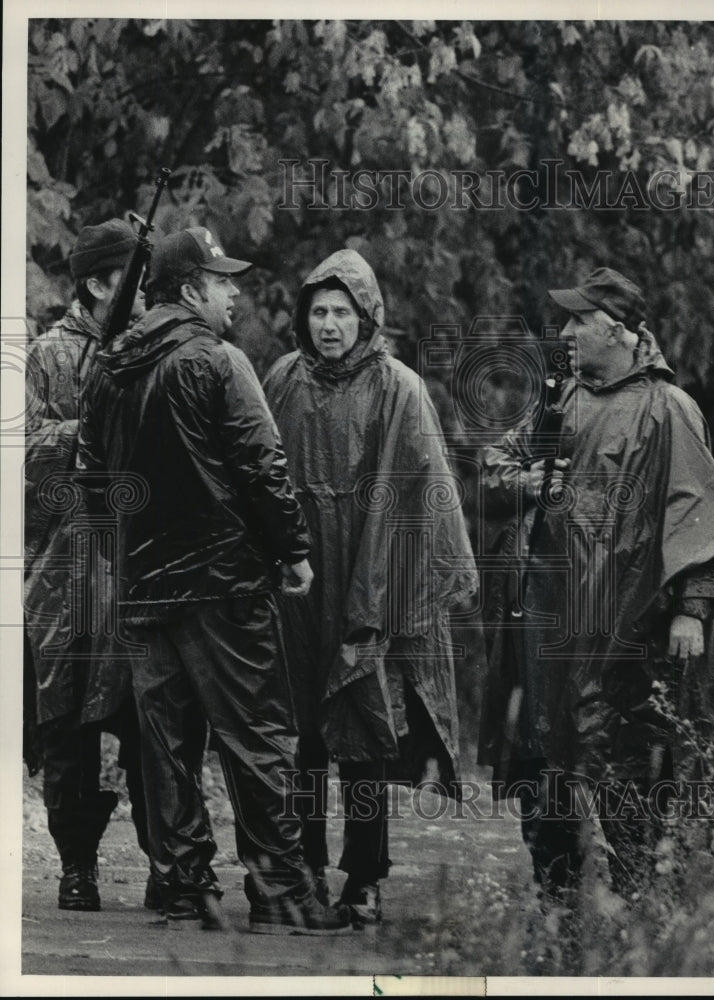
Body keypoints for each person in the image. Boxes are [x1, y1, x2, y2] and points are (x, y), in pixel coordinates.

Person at [77, 226, 351, 935]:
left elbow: (92, 485)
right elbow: (263, 468)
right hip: (222, 585)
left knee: (165, 745)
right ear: (191, 289)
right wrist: (292, 551)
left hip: (143, 589)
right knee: (257, 735)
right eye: (222, 281)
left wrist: (127, 558)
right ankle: (282, 894)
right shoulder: (218, 360)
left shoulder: (107, 368)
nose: (234, 292)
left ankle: (182, 889)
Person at [477, 267, 714, 898]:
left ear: (620, 331)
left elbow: (703, 514)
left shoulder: (670, 411)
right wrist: (528, 484)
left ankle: (642, 915)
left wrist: (692, 606)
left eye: (578, 321)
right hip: (557, 629)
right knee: (547, 765)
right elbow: (492, 468)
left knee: (630, 771)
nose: (566, 331)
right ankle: (560, 915)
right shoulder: (561, 403)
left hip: (632, 631)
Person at [263, 249, 477, 926]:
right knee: (297, 735)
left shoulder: (399, 388)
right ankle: (300, 874)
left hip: (369, 586)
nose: (328, 324)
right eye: (318, 311)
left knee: (362, 734)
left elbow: (427, 494)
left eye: (341, 312)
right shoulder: (281, 380)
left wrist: (401, 592)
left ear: (367, 317)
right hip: (295, 591)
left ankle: (363, 878)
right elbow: (256, 473)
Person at [25, 219, 151, 912]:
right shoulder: (46, 354)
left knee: (147, 723)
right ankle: (77, 866)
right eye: (129, 280)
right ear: (100, 283)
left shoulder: (154, 349)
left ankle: (168, 866)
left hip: (137, 566)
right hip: (64, 572)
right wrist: (88, 425)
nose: (141, 294)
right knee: (66, 729)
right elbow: (22, 451)